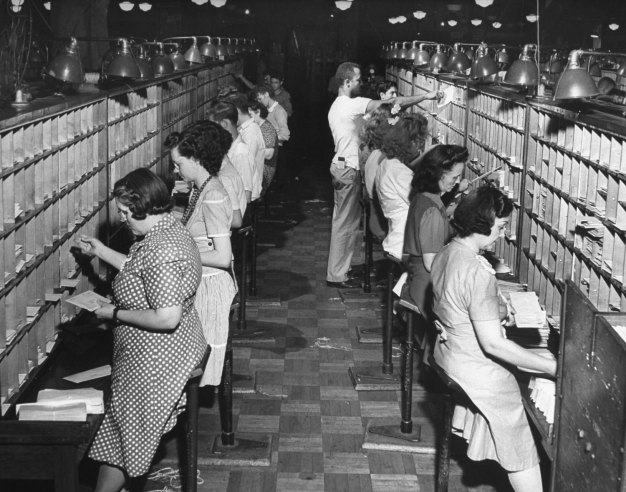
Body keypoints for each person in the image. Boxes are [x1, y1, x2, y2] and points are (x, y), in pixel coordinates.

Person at [76, 168, 205, 492]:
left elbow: (166, 318)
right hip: (171, 345)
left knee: (123, 431)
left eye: (124, 212)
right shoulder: (167, 228)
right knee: (120, 431)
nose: (121, 219)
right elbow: (139, 267)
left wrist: (115, 311)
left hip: (160, 355)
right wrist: (100, 252)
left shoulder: (162, 250)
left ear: (142, 208)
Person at [431, 185, 557, 492]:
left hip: (449, 356)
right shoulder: (477, 270)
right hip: (474, 367)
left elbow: (459, 304)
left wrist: (498, 308)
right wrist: (552, 369)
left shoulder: (448, 252)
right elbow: (493, 345)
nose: (501, 233)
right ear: (482, 222)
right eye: (500, 226)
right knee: (522, 434)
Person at [326, 61, 442, 288]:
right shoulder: (349, 104)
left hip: (342, 167)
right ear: (347, 82)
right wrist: (426, 96)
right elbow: (392, 102)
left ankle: (339, 271)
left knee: (344, 222)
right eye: (358, 80)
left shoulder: (338, 106)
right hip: (347, 168)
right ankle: (337, 276)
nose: (362, 84)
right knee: (345, 224)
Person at [164, 122, 237, 387]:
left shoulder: (213, 195)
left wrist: (182, 253)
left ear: (195, 159)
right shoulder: (200, 188)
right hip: (200, 278)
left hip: (211, 286)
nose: (175, 169)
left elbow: (222, 257)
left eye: (179, 163)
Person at [403, 144, 468, 323]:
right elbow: (431, 264)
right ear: (439, 174)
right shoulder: (431, 211)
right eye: (454, 177)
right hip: (426, 285)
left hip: (418, 276)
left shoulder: (423, 196)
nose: (456, 181)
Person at [374, 112, 429, 260]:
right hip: (404, 241)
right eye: (419, 142)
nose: (419, 148)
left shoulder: (387, 162)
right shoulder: (399, 172)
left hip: (397, 233)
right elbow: (424, 206)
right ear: (410, 142)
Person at [206, 100, 255, 206]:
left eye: (212, 125)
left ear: (224, 124)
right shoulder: (228, 147)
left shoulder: (240, 152)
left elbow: (246, 195)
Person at [226, 93, 265, 201]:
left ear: (236, 111)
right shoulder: (243, 129)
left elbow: (245, 165)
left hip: (247, 192)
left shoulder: (251, 131)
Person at [248, 99, 278, 192]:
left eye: (250, 115)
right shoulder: (257, 126)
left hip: (265, 169)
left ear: (258, 112)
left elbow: (269, 155)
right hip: (258, 164)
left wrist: (248, 150)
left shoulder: (267, 128)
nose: (248, 118)